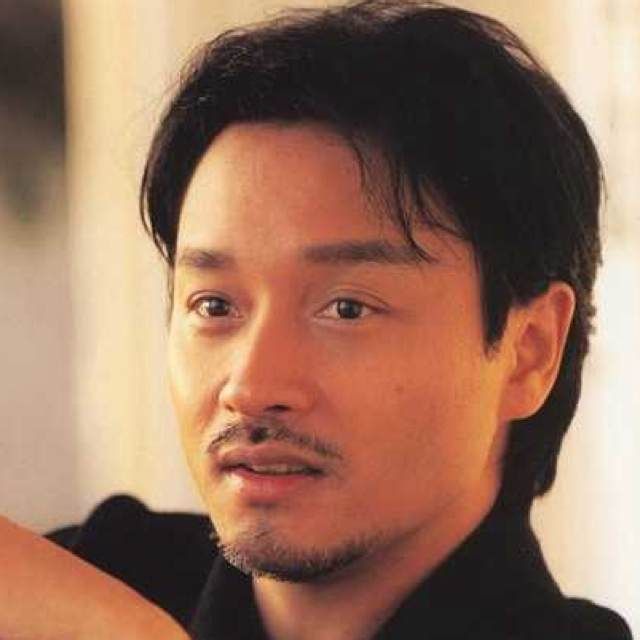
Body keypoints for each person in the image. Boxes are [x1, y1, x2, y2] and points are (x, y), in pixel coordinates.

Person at [0, 1, 633, 638]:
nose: (251, 387)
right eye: (214, 305)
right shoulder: (101, 581)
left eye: (346, 309)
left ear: (529, 351)